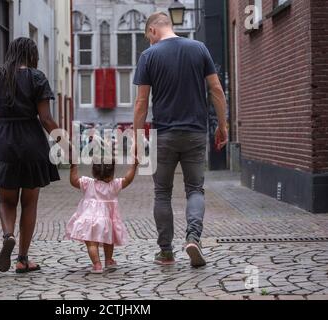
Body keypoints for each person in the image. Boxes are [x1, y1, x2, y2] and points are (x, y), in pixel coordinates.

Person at [133, 12, 228, 268]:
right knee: (195, 189)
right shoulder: (199, 49)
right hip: (195, 132)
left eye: (148, 38)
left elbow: (141, 102)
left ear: (153, 30)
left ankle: (165, 251)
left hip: (162, 135)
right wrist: (222, 124)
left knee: (162, 193)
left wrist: (135, 137)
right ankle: (193, 238)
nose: (149, 43)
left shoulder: (148, 56)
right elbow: (216, 90)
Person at [0, 37, 62, 274]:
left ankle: (8, 235)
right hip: (32, 143)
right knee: (30, 203)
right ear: (32, 56)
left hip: (4, 142)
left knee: (6, 200)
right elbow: (45, 118)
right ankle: (23, 259)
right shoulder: (37, 77)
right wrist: (65, 143)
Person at [66, 162, 137, 273]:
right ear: (112, 173)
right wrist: (134, 166)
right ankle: (108, 260)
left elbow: (74, 181)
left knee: (91, 243)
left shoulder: (88, 183)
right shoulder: (114, 185)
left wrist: (73, 166)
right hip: (106, 221)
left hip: (88, 219)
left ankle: (97, 264)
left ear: (94, 172)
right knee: (109, 240)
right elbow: (127, 179)